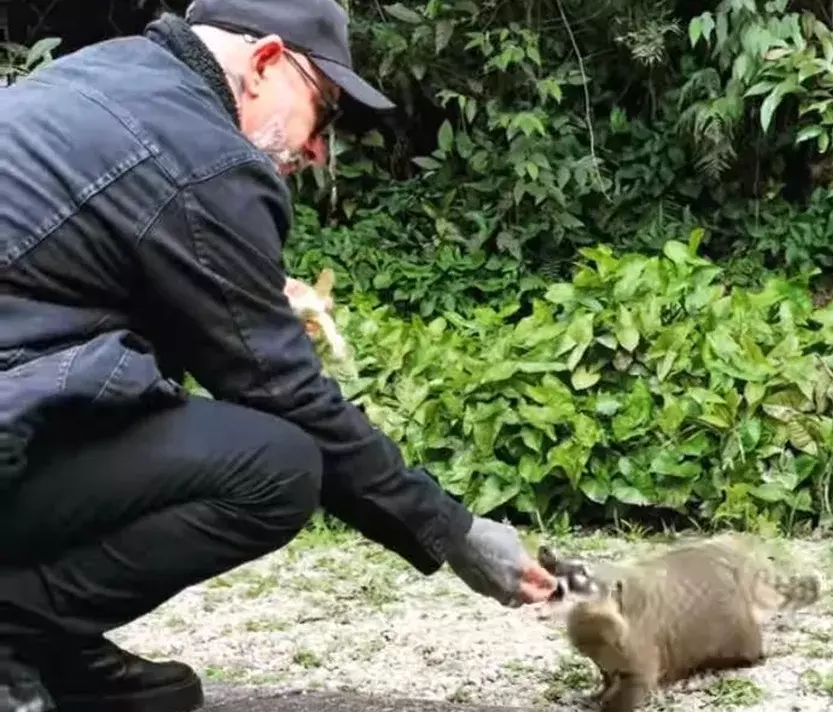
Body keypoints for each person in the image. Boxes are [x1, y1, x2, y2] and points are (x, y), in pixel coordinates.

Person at [0, 1, 558, 711]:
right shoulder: (204, 157)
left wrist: (247, 298)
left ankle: (46, 639)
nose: (320, 149)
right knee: (277, 466)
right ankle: (19, 625)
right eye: (322, 113)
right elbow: (284, 392)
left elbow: (68, 282)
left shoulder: (106, 78)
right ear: (265, 62)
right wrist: (454, 532)